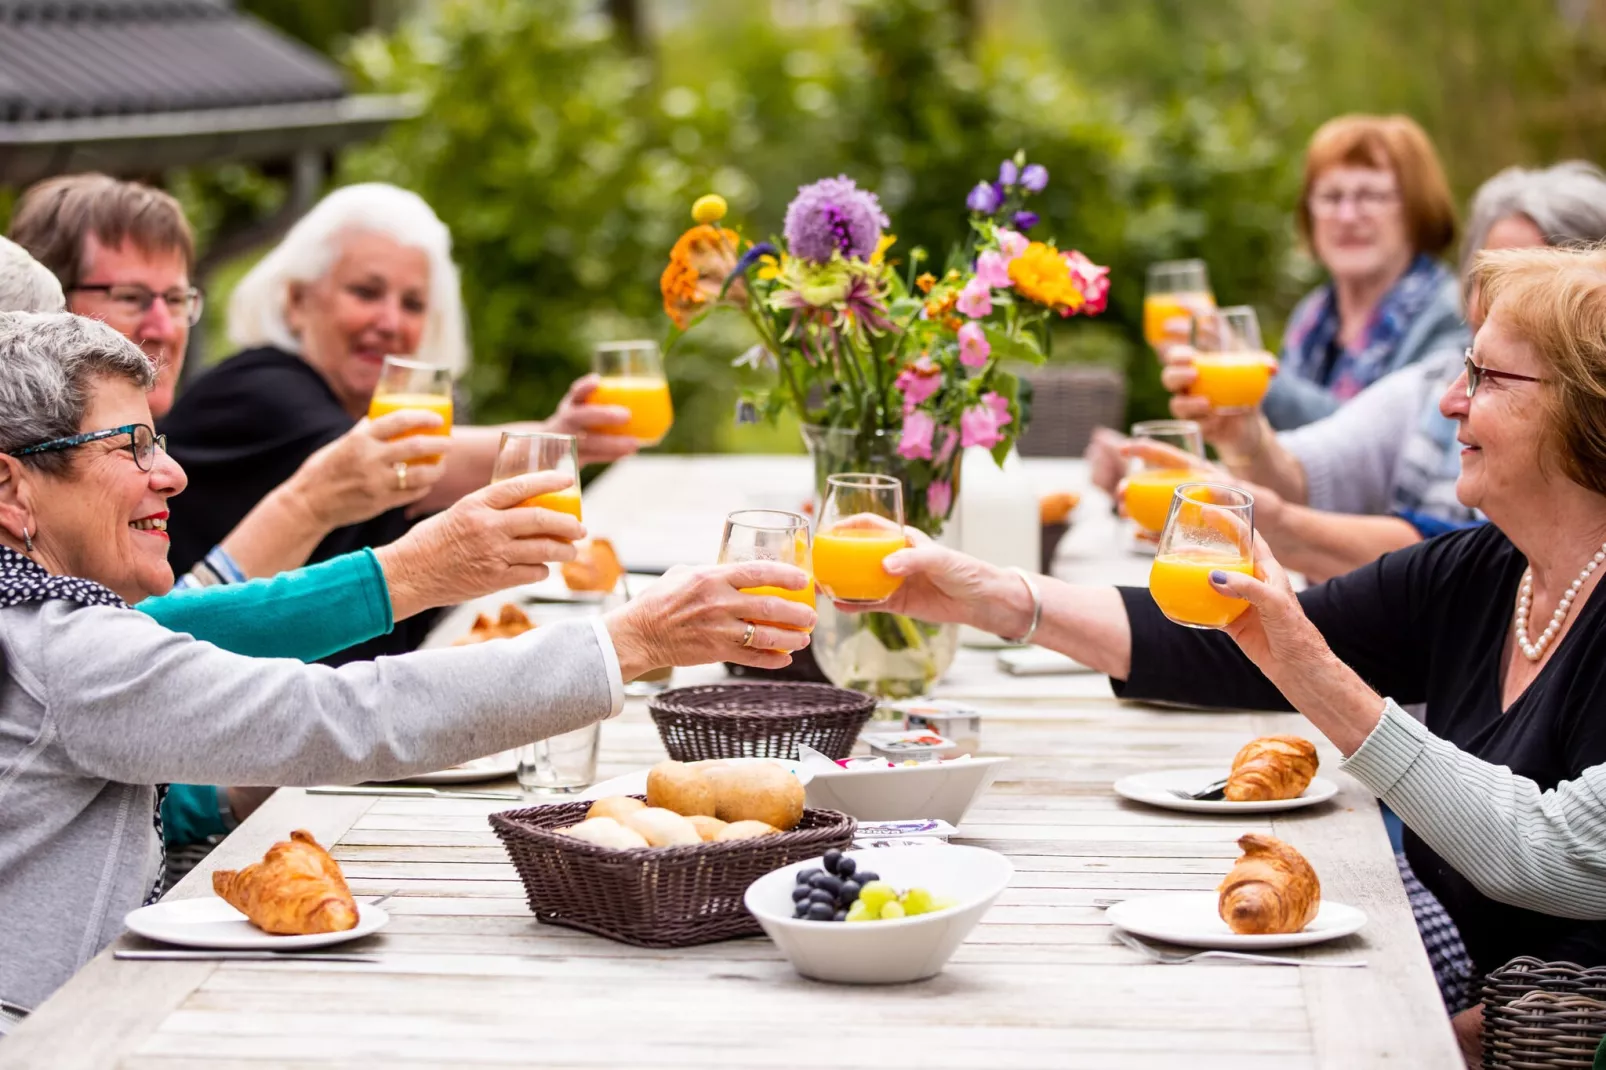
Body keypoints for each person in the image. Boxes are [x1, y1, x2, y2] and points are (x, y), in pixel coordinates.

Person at [849, 245, 1606, 1035]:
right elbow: (1216, 643)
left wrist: (1310, 670)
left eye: (1485, 377)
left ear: (1586, 410)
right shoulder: (1485, 572)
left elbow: (1543, 854)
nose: (1451, 401)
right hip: (1446, 994)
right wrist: (994, 596)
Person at [0, 311, 815, 1019]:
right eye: (131, 446)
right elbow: (353, 717)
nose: (171, 475)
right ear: (12, 489)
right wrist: (635, 641)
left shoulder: (39, 624)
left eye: (161, 442)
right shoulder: (58, 649)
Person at [159, 183, 640, 662]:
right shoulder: (258, 386)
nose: (391, 321)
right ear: (297, 303)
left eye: (412, 304)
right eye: (366, 292)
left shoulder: (373, 404)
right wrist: (558, 436)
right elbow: (394, 462)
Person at [1139, 163, 1606, 580]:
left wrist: (1272, 520)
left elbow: (1484, 563)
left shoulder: (1582, 419)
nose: (1505, 298)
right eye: (1494, 273)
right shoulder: (1432, 381)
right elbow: (1308, 471)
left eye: (1534, 278)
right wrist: (1245, 435)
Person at [6, 174, 457, 592]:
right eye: (130, 298)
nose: (165, 325)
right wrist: (306, 508)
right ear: (47, 314)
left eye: (178, 299)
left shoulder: (146, 454)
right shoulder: (260, 387)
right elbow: (146, 647)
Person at [1257, 114, 1467, 428]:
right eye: (1331, 197)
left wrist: (1256, 382)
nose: (1347, 216)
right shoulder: (1311, 316)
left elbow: (1382, 445)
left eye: (1371, 196)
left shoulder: (1451, 315)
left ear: (1416, 209)